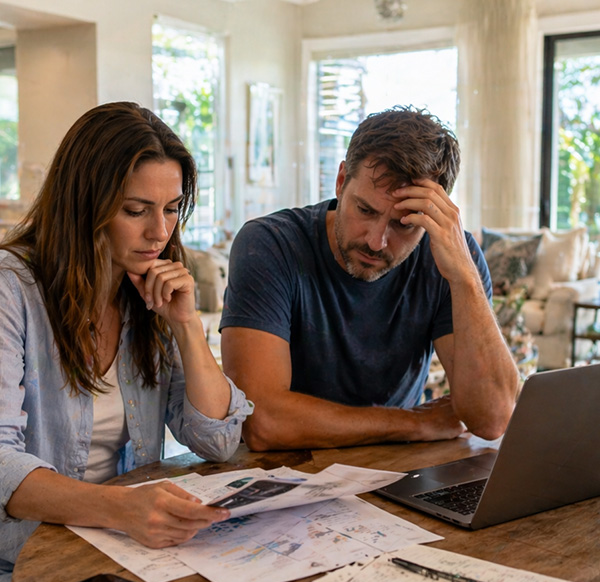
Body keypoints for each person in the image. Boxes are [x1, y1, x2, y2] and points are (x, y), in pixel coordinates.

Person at [0, 102, 253, 582]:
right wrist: (122, 509)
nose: (160, 232)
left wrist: (186, 326)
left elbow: (217, 440)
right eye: (136, 210)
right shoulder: (2, 286)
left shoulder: (149, 290)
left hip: (102, 557)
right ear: (83, 204)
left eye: (172, 208)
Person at [220, 106, 518, 451]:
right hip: (288, 468)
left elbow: (493, 418)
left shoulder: (451, 254)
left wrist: (465, 278)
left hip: (399, 469)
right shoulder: (271, 244)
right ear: (341, 181)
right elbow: (263, 422)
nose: (376, 241)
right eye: (365, 210)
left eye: (403, 225)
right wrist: (414, 423)